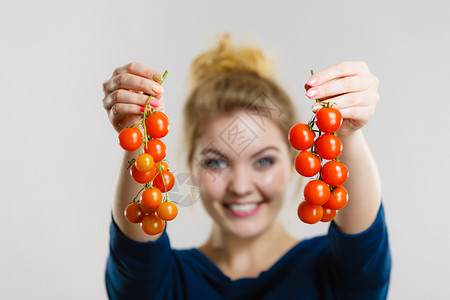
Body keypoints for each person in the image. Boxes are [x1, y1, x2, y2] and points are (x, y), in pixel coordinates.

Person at [102, 34, 391, 299]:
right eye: (216, 162)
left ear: (296, 162)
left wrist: (347, 131)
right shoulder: (163, 284)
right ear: (193, 167)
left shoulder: (336, 276)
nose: (240, 186)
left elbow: (361, 243)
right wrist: (136, 134)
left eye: (264, 161)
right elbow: (137, 247)